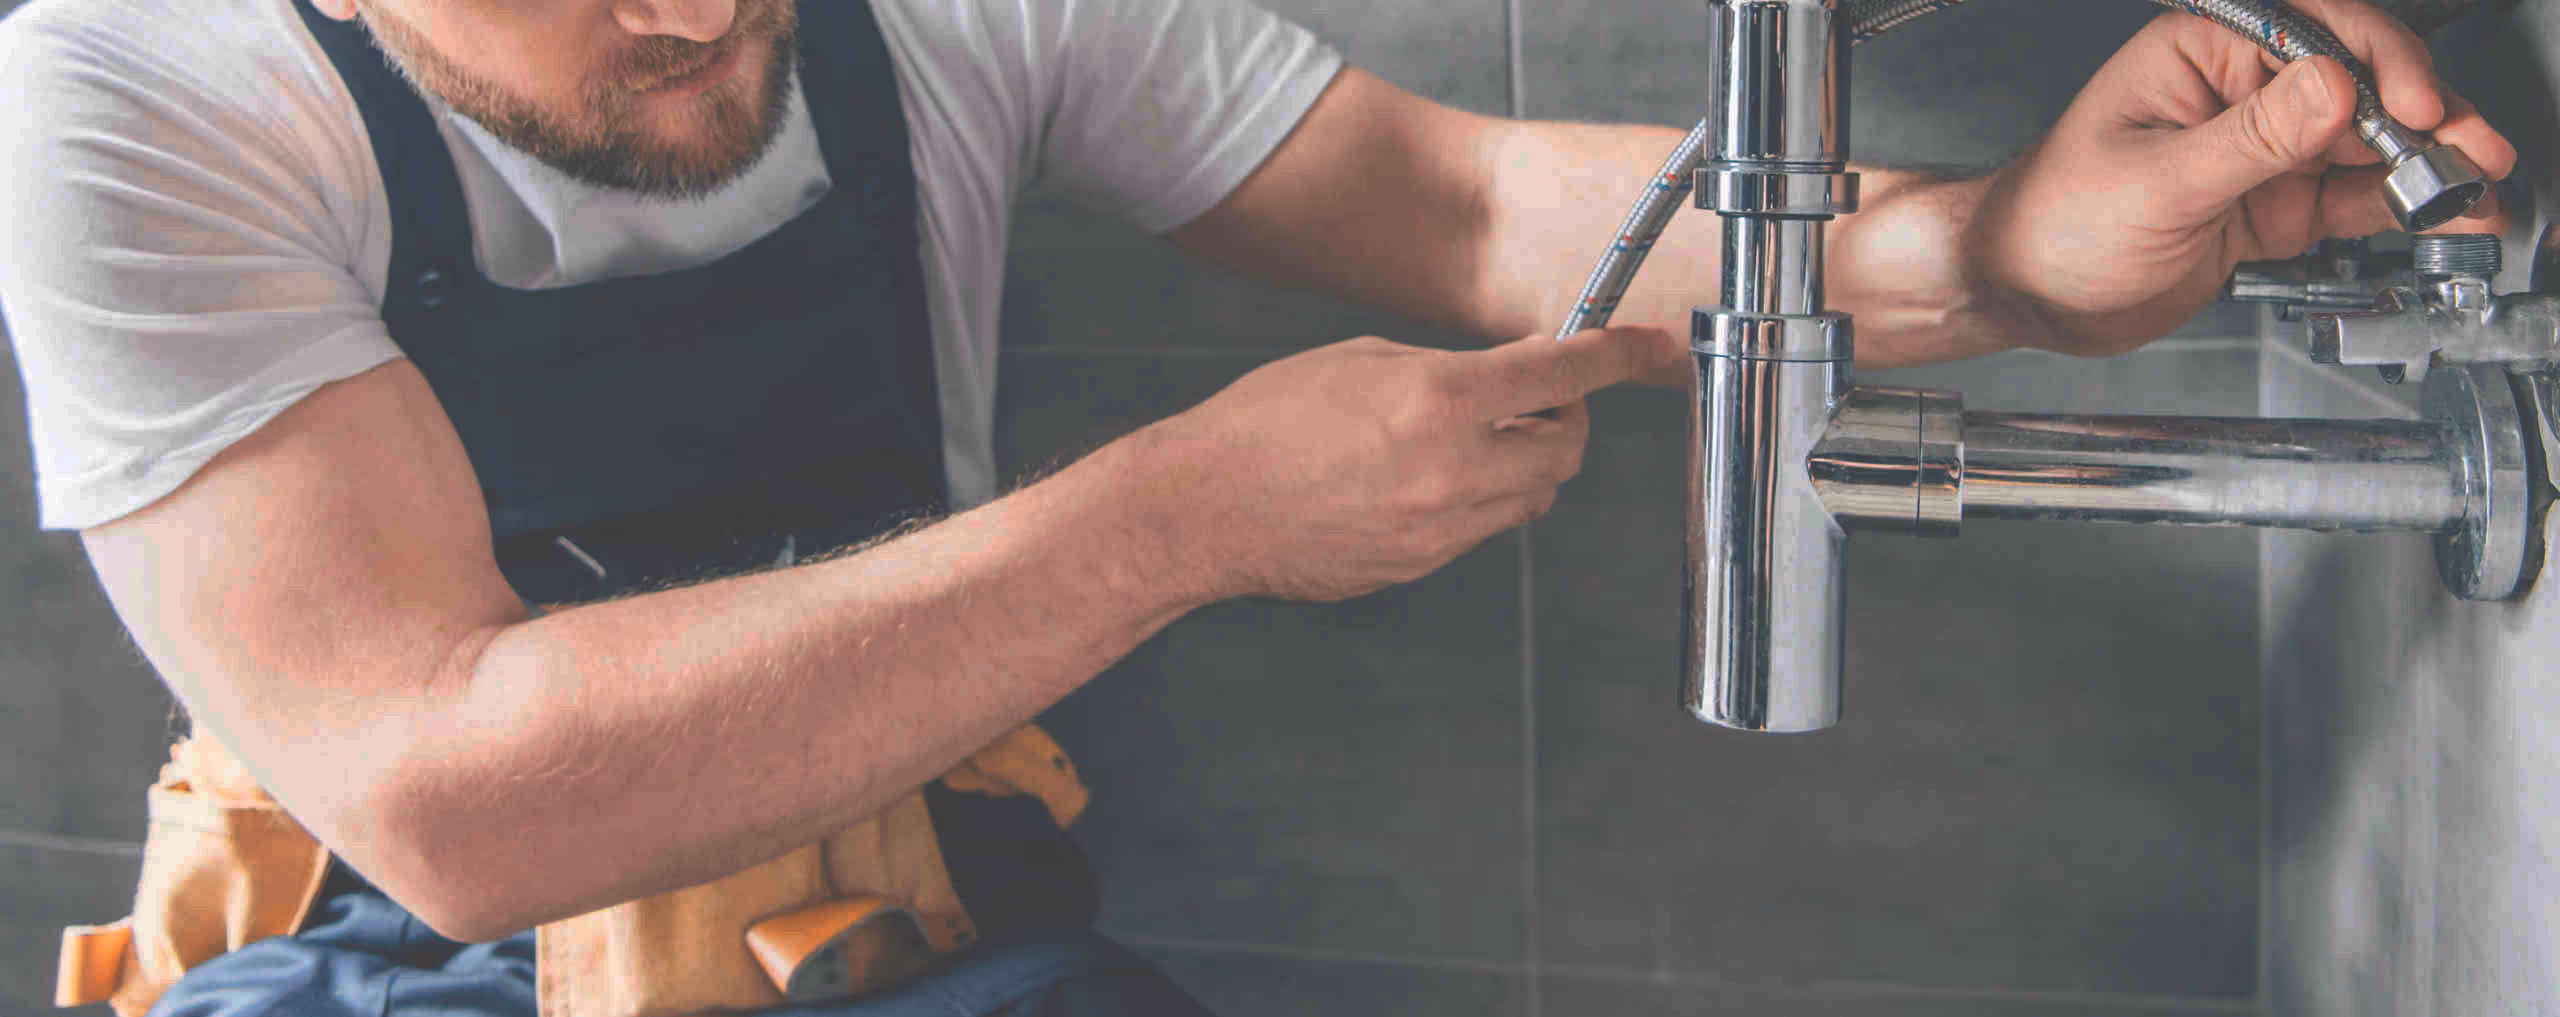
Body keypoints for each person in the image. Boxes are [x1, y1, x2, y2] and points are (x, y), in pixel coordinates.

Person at [0, 0, 2515, 1011]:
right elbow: (450, 790)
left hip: (903, 924)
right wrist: (1173, 520)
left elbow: (1443, 210)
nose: (703, 14)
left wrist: (2004, 254)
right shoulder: (130, 86)